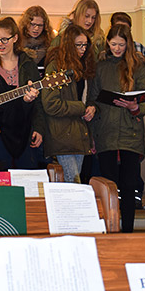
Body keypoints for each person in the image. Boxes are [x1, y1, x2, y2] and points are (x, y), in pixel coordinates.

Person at [89, 24, 145, 232]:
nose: (117, 48)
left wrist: (135, 107)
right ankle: (111, 229)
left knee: (128, 185)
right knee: (109, 186)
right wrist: (92, 124)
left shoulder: (138, 65)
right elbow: (93, 98)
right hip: (105, 130)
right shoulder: (101, 66)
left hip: (130, 132)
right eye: (113, 44)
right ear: (107, 42)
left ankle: (128, 232)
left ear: (128, 44)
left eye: (121, 45)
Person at [0, 17, 44, 168]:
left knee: (26, 175)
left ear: (15, 38)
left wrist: (39, 128)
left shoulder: (27, 64)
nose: (0, 44)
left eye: (4, 39)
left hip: (24, 131)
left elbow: (39, 102)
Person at [42, 24, 96, 182]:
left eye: (85, 45)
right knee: (72, 182)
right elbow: (50, 104)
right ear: (68, 45)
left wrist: (91, 107)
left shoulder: (84, 66)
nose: (83, 49)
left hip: (79, 133)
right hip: (61, 135)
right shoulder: (55, 67)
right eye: (78, 45)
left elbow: (87, 98)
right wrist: (80, 107)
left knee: (75, 182)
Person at [19, 5, 54, 73]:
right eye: (33, 24)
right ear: (26, 24)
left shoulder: (50, 44)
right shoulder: (17, 42)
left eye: (40, 25)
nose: (36, 28)